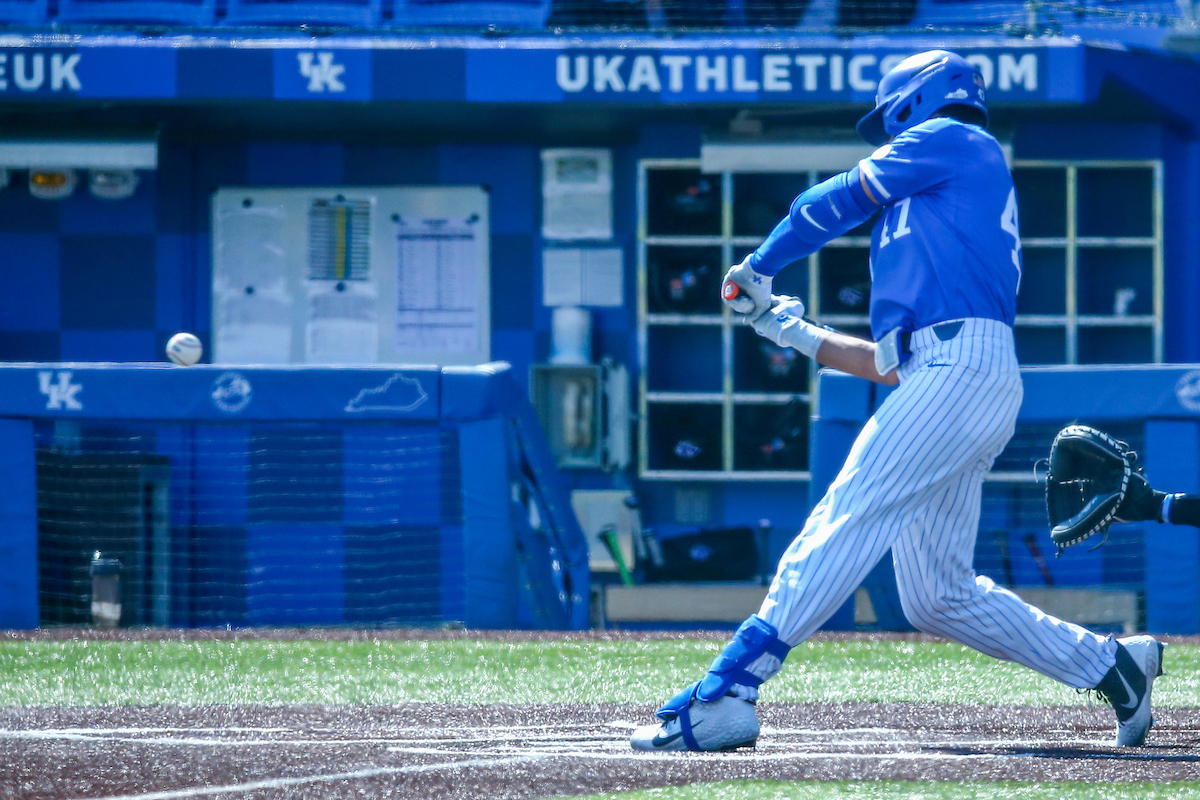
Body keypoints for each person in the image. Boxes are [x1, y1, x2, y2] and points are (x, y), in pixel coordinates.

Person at [629, 50, 1166, 753]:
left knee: (845, 512)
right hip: (950, 376)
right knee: (934, 595)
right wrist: (784, 326)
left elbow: (829, 203)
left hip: (962, 370)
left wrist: (758, 264)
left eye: (889, 118)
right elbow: (888, 365)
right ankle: (1113, 667)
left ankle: (731, 690)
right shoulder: (934, 204)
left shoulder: (958, 139)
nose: (884, 132)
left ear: (918, 99)